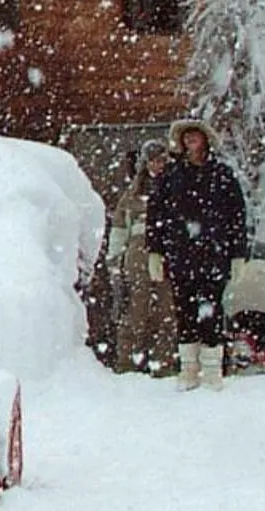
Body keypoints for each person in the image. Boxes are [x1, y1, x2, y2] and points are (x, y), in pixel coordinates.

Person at [146, 119, 248, 391]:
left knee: (211, 310)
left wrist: (238, 253)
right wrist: (155, 251)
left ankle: (213, 368)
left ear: (205, 140)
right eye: (186, 137)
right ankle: (188, 368)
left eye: (195, 136)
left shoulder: (222, 175)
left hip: (214, 255)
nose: (190, 141)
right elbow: (156, 215)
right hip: (181, 256)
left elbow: (237, 216)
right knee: (185, 311)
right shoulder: (170, 176)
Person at [100, 142, 180, 376]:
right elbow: (119, 229)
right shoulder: (132, 195)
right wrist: (114, 261)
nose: (158, 165)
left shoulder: (177, 189)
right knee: (135, 308)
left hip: (167, 255)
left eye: (162, 160)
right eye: (153, 160)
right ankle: (128, 364)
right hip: (136, 256)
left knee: (167, 309)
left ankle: (163, 363)